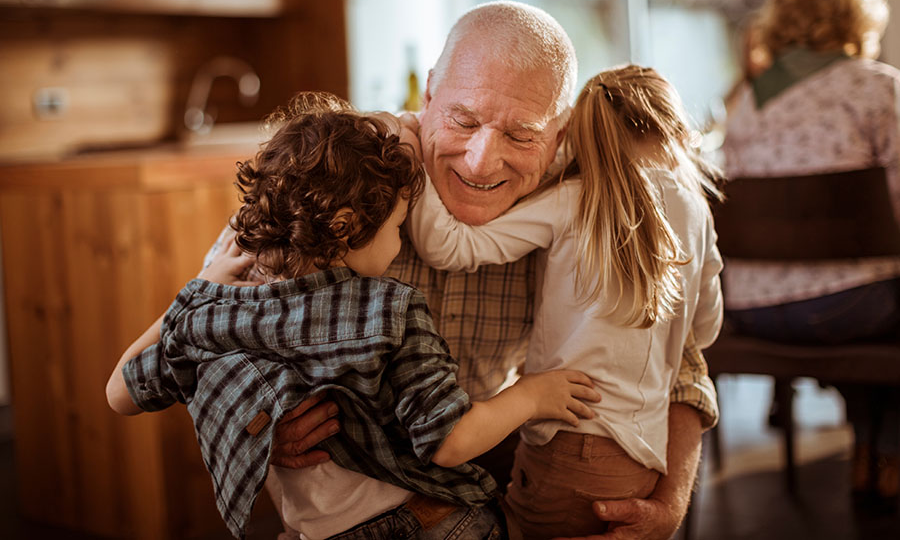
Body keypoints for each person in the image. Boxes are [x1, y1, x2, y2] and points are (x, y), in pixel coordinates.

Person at [253, 1, 720, 540]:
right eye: (464, 120)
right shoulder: (344, 168)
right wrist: (263, 424)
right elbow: (212, 325)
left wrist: (668, 502)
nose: (480, 161)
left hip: (487, 480)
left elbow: (683, 361)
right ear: (428, 95)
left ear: (560, 133)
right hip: (340, 504)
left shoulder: (581, 196)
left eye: (521, 135)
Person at [105, 93, 600, 540]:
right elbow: (449, 441)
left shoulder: (222, 309)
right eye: (398, 228)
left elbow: (120, 393)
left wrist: (198, 292)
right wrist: (532, 395)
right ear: (346, 227)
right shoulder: (390, 311)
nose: (401, 242)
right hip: (434, 524)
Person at [404, 64, 724, 538]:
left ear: (576, 134)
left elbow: (447, 246)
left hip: (565, 440)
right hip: (640, 455)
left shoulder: (575, 198)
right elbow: (706, 329)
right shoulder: (696, 210)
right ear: (676, 127)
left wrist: (411, 148)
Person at [721, 0, 900, 510]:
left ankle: (872, 452)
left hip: (750, 307)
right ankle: (886, 455)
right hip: (848, 306)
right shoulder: (877, 87)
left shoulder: (746, 102)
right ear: (857, 19)